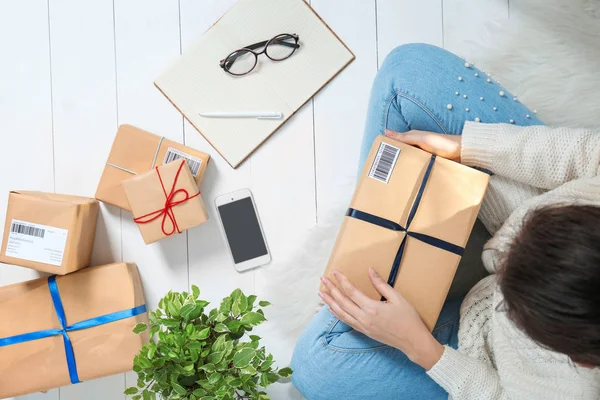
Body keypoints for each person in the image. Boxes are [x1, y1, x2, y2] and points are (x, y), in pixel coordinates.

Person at [290, 43, 600, 400]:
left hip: (478, 341)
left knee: (314, 366)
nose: (497, 254)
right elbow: (586, 154)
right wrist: (465, 147)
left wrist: (421, 348)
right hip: (507, 199)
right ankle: (372, 225)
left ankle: (372, 244)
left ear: (581, 360)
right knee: (408, 72)